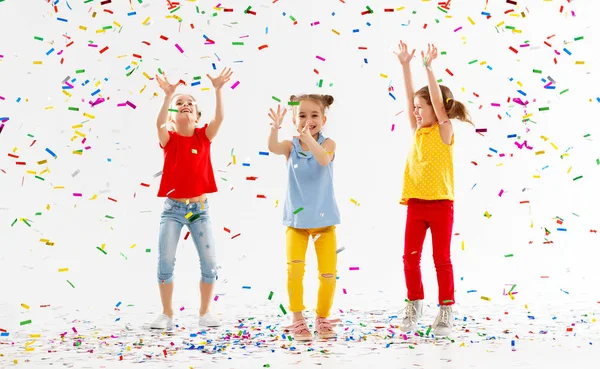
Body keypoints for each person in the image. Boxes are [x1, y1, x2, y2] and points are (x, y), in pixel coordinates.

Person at [395, 42, 474, 337]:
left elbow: (439, 108)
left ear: (438, 109)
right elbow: (407, 100)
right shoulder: (417, 131)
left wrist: (428, 68)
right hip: (416, 203)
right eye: (414, 108)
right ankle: (415, 303)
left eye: (421, 107)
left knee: (441, 258)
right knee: (409, 257)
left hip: (441, 204)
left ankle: (446, 309)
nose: (415, 112)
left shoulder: (444, 130)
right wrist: (405, 66)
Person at [149, 68, 233, 330]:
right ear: (173, 118)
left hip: (199, 210)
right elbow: (158, 124)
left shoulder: (203, 137)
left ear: (197, 117)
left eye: (190, 104)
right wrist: (167, 97)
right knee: (165, 262)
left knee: (209, 263)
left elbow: (220, 117)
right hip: (172, 210)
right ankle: (166, 313)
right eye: (179, 104)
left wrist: (218, 90)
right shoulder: (169, 139)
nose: (184, 105)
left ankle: (205, 312)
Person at [267, 95, 341, 341]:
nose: (308, 120)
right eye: (302, 115)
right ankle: (297, 318)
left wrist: (310, 139)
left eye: (314, 115)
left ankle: (322, 317)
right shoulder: (291, 146)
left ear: (324, 119)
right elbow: (273, 147)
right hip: (296, 224)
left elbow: (322, 159)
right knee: (295, 271)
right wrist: (275, 129)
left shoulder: (329, 143)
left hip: (325, 224)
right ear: (294, 119)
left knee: (328, 274)